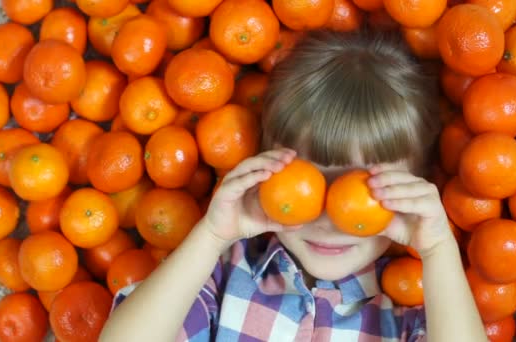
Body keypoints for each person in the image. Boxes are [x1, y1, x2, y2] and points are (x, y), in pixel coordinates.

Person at [100, 29, 486, 342]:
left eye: (364, 191)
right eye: (307, 186)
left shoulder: (412, 312)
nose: (328, 219)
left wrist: (438, 251)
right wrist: (212, 235)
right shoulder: (227, 275)